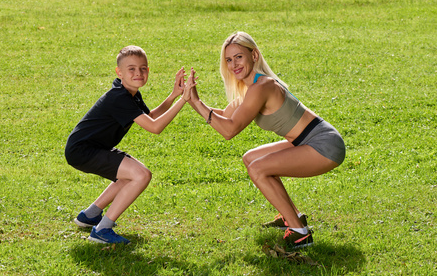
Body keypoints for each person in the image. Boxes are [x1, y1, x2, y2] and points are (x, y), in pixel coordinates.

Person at [184, 32, 345, 249]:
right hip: (307, 140)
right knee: (251, 158)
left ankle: (300, 233)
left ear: (254, 55)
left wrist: (196, 101)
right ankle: (292, 216)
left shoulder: (263, 87)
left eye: (239, 57)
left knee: (259, 169)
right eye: (229, 60)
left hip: (323, 144)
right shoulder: (251, 88)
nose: (233, 64)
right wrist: (191, 98)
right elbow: (225, 115)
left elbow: (229, 130)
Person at [65, 45, 195, 244]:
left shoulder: (129, 93)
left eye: (143, 68)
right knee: (141, 175)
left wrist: (174, 95)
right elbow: (155, 127)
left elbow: (149, 117)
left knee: (130, 175)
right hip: (84, 151)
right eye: (131, 69)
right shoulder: (119, 97)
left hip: (89, 148)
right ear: (119, 72)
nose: (138, 73)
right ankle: (102, 230)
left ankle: (89, 216)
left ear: (148, 71)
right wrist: (184, 100)